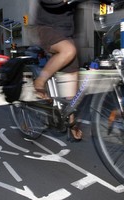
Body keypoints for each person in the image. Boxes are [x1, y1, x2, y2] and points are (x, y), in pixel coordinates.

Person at [34, 0, 83, 141]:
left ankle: (70, 119)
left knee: (73, 75)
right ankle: (39, 82)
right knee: (68, 50)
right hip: (47, 28)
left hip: (67, 34)